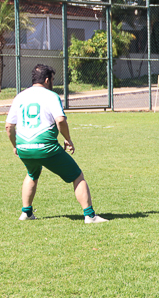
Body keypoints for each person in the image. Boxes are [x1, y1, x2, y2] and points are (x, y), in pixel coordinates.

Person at [5, 64, 108, 223]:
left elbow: (9, 126)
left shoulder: (20, 96)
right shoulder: (51, 96)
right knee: (76, 175)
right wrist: (68, 138)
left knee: (32, 173)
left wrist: (14, 146)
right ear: (47, 80)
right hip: (45, 147)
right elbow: (60, 120)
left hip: (24, 147)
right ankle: (89, 215)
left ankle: (26, 213)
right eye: (52, 80)